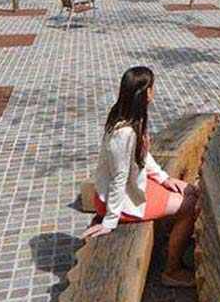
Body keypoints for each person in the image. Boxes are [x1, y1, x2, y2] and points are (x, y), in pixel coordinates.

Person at [85, 66, 198, 287]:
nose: (154, 93)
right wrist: (110, 221)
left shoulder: (130, 117)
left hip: (133, 188)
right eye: (153, 88)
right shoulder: (124, 133)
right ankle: (171, 270)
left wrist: (165, 178)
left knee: (191, 190)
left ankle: (172, 241)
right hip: (120, 201)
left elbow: (143, 156)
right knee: (191, 205)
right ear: (146, 93)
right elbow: (119, 178)